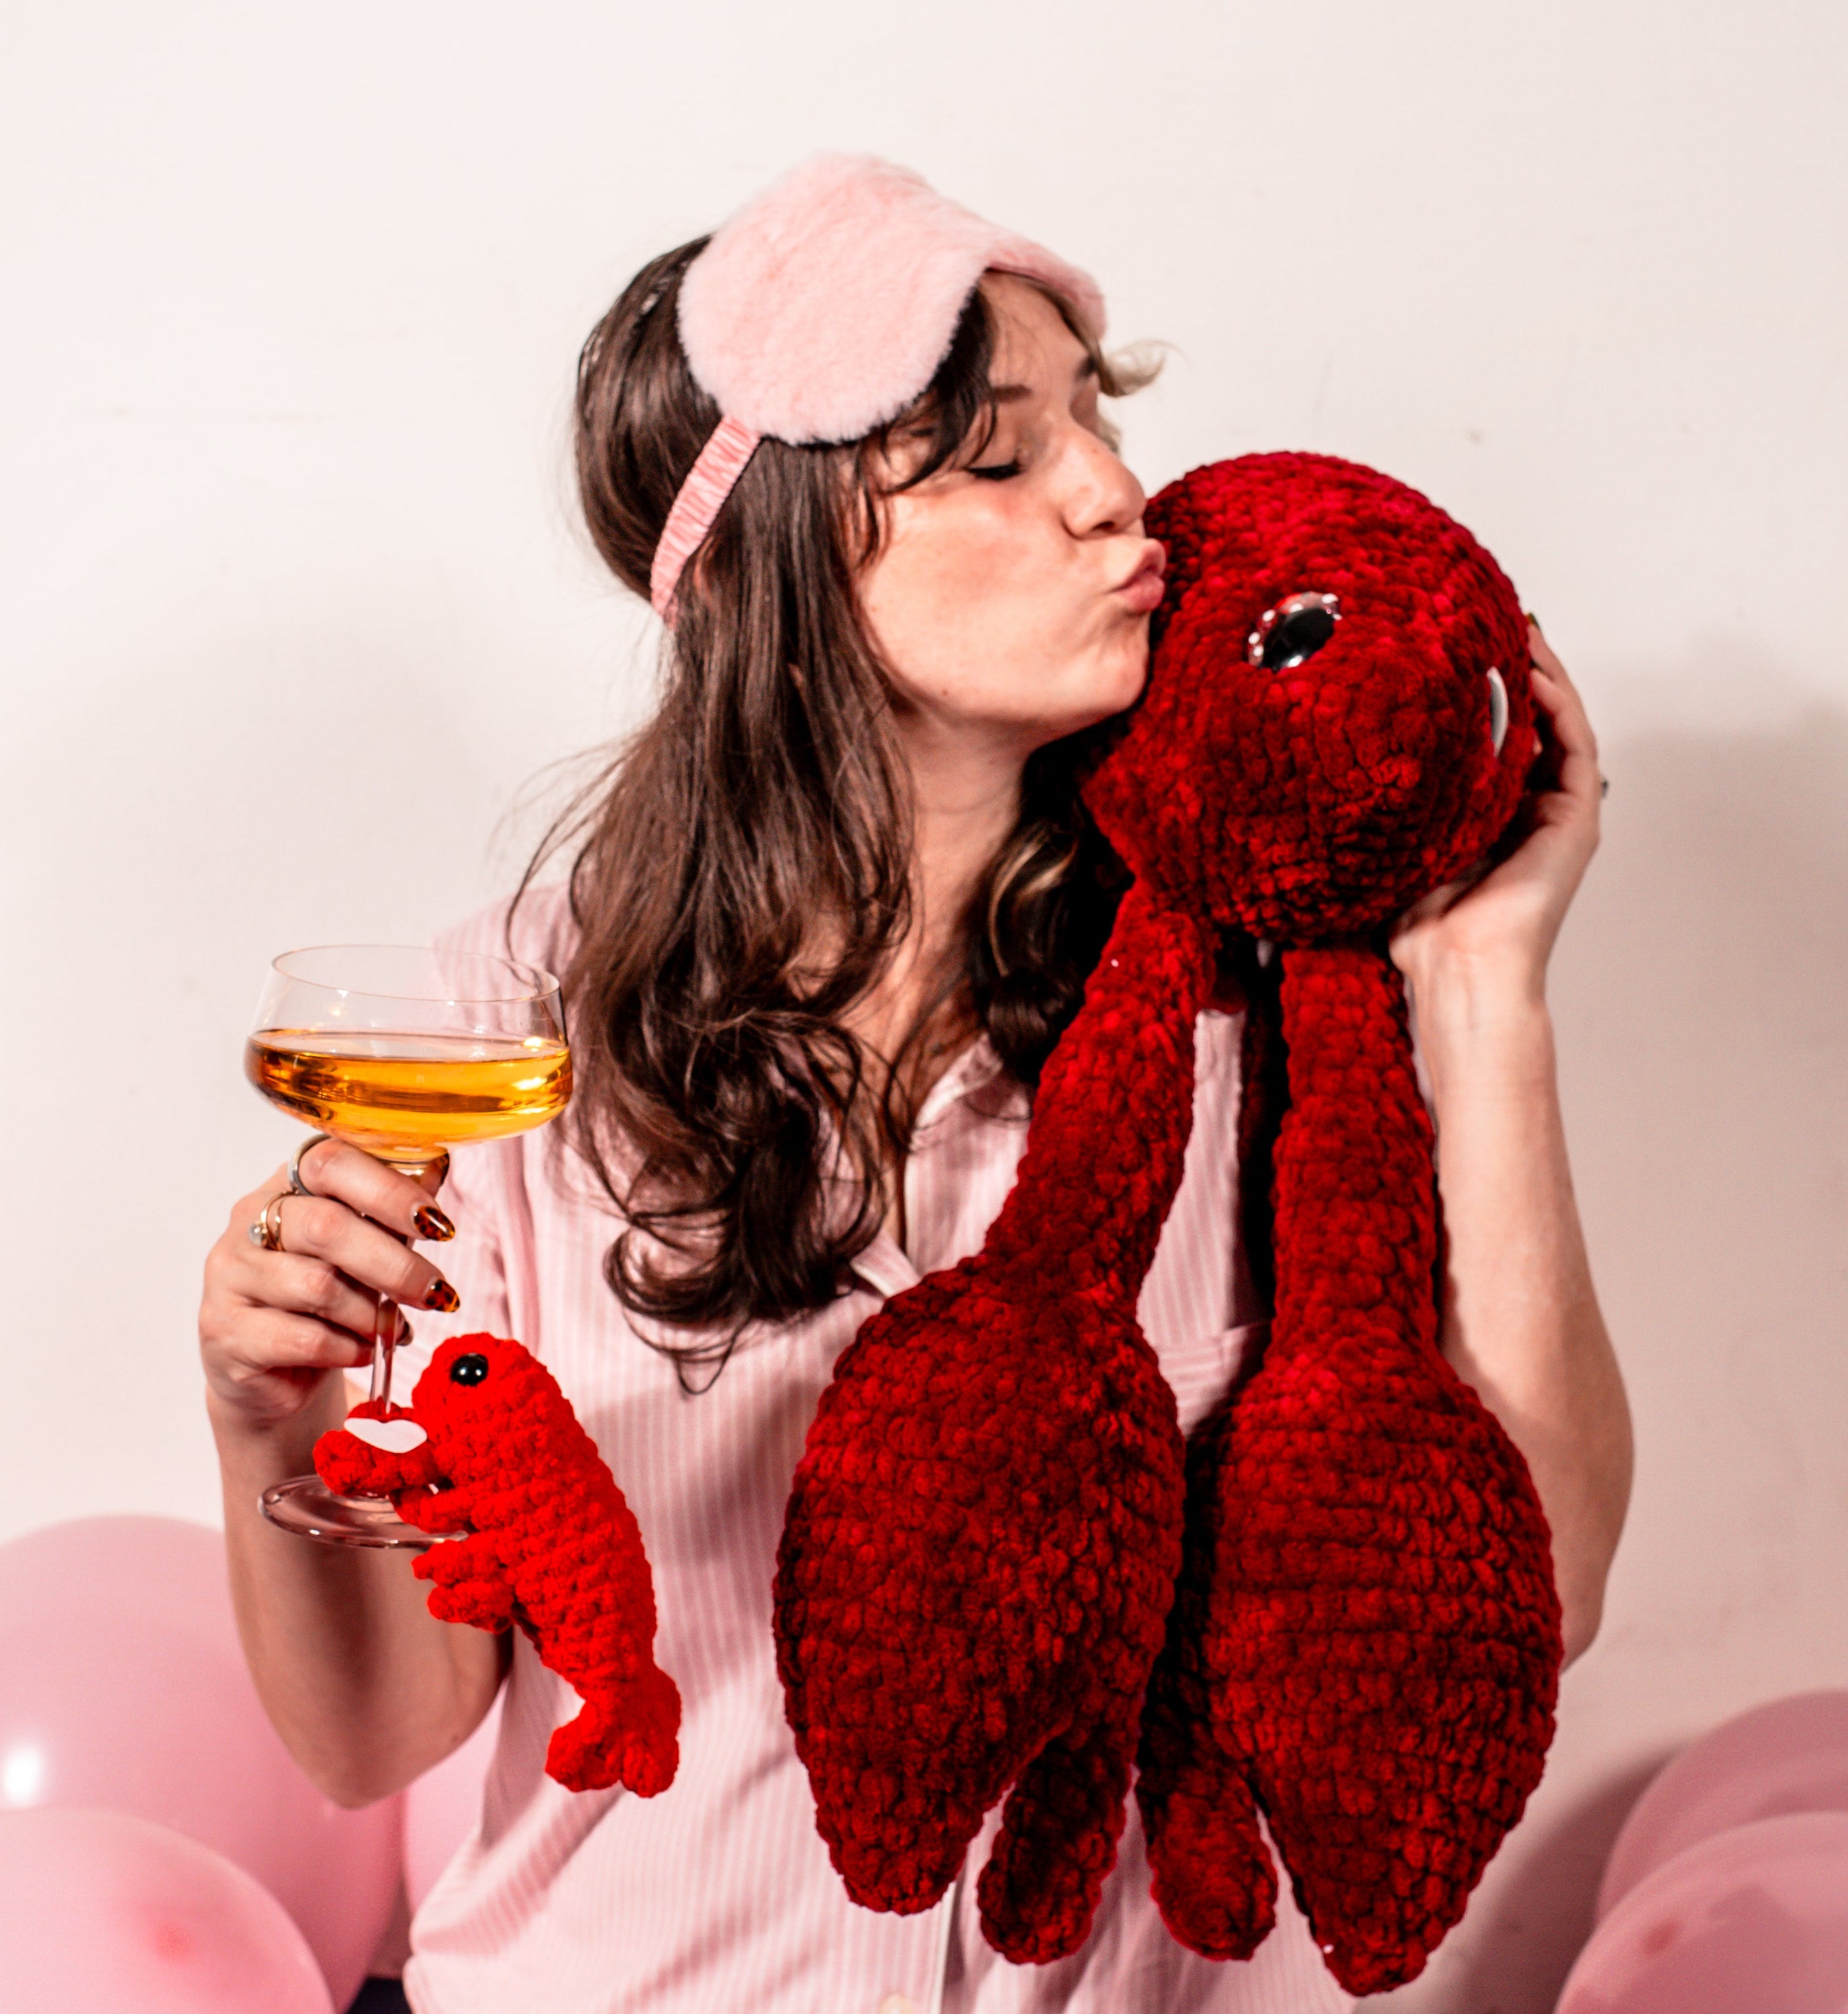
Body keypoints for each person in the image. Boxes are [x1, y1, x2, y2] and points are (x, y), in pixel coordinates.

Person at [197, 156, 1632, 2014]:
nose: (1119, 497)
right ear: (781, 555)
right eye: (999, 458)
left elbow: (1537, 1591)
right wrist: (266, 1419)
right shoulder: (507, 1031)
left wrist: (1483, 985)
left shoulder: (1267, 1008)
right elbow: (379, 1735)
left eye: (1098, 427)